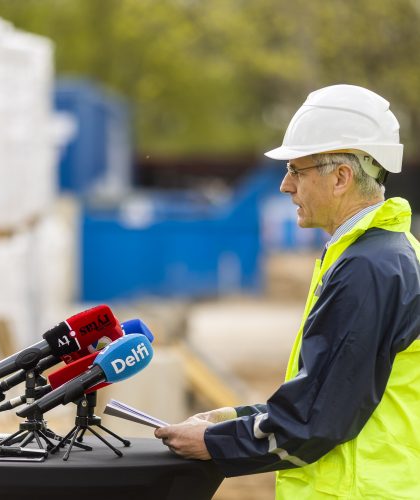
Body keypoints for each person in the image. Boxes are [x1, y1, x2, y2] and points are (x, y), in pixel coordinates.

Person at [155, 84, 420, 499]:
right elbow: (333, 393)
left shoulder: (368, 268)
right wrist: (236, 416)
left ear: (341, 177)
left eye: (296, 170)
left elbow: (314, 422)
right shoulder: (383, 255)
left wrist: (213, 443)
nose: (285, 186)